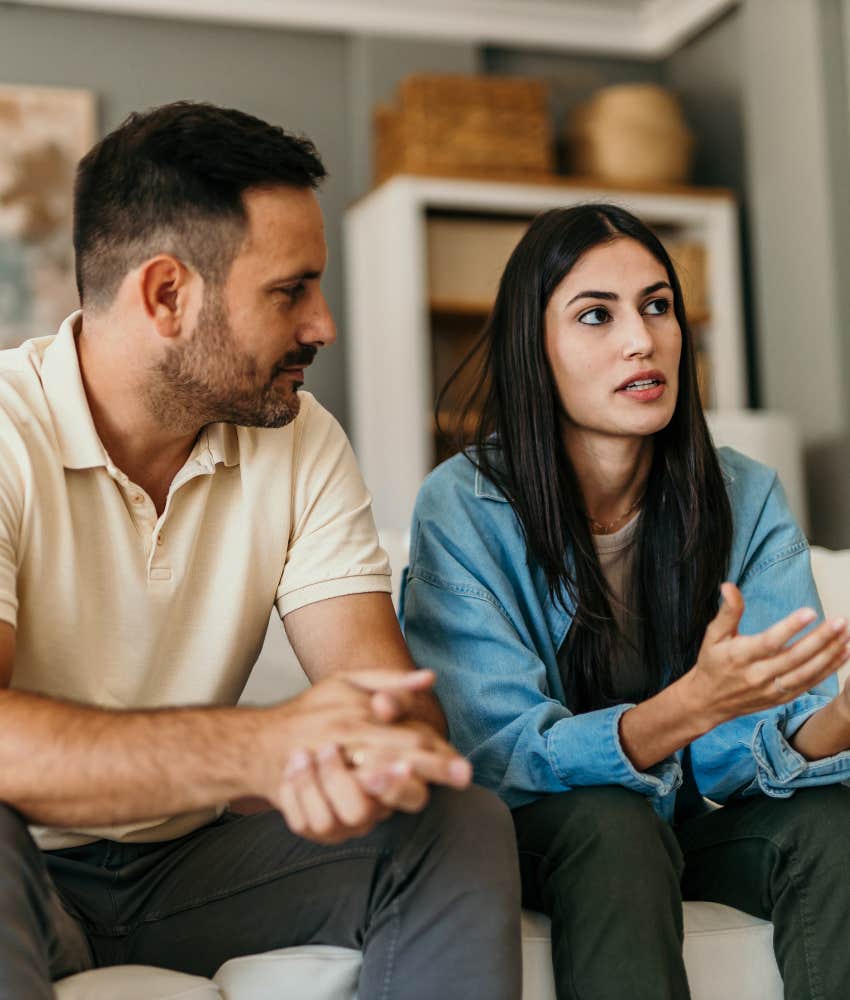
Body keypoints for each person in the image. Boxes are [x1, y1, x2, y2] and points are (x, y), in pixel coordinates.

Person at [0, 102, 521, 1000]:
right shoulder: (8, 429)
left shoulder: (300, 439)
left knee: (455, 817)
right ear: (167, 295)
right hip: (24, 868)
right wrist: (256, 750)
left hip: (193, 873)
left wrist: (358, 760)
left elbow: (390, 710)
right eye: (291, 290)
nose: (323, 325)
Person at [400, 203, 850, 1000]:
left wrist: (843, 718)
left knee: (835, 823)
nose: (641, 339)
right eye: (595, 316)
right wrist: (688, 706)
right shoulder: (462, 505)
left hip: (692, 824)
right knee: (613, 821)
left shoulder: (745, 495)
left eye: (657, 305)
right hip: (548, 832)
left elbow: (760, 747)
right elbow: (497, 759)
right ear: (532, 348)